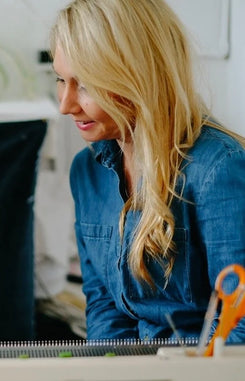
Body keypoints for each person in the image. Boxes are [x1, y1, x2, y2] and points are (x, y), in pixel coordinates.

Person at [50, 0, 245, 342]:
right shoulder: (87, 171)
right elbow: (105, 307)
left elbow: (239, 328)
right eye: (60, 80)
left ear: (138, 77)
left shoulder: (219, 170)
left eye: (85, 85)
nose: (65, 105)